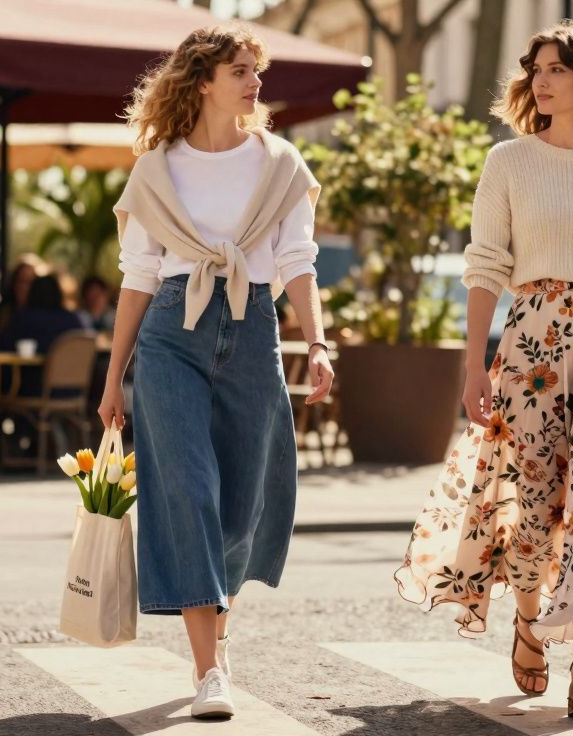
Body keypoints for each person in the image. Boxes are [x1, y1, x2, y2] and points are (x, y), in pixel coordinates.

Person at [394, 21, 573, 719]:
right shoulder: (510, 162)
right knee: (535, 499)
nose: (540, 81)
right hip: (532, 342)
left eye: (555, 70)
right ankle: (526, 620)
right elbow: (485, 267)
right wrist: (473, 368)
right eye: (535, 70)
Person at [99, 26, 335, 719]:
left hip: (253, 326)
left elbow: (298, 261)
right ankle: (209, 670)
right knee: (189, 491)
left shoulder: (280, 164)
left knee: (242, 505)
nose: (256, 83)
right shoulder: (157, 170)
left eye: (256, 71)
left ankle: (218, 636)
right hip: (171, 336)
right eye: (241, 70)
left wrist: (318, 343)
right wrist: (113, 378)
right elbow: (138, 277)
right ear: (203, 81)